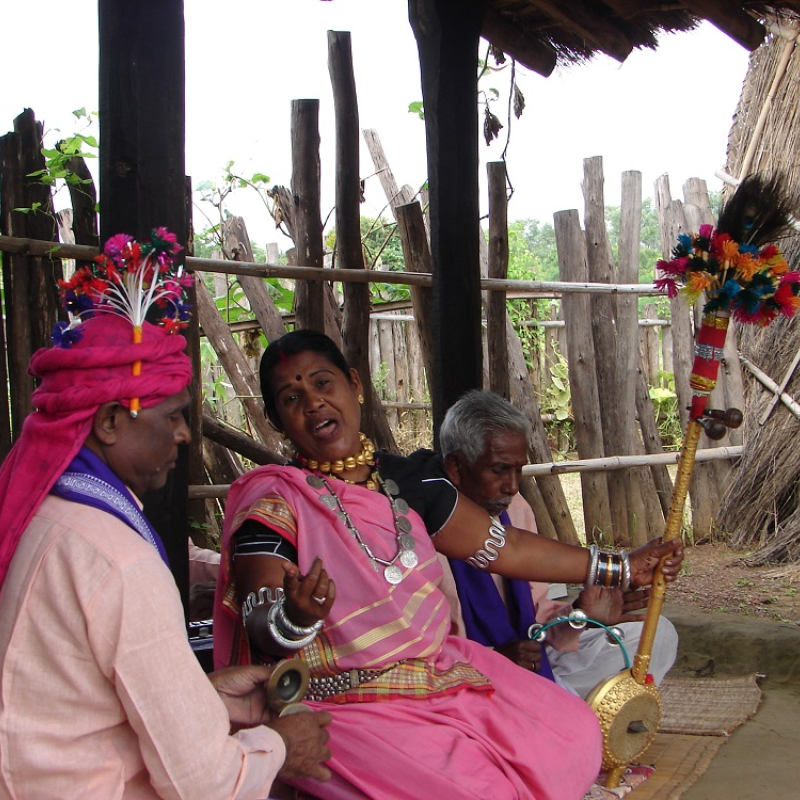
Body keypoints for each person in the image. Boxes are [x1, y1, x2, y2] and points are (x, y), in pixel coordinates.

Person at [213, 328, 684, 800]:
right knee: (475, 790)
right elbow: (261, 614)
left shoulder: (408, 480)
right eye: (292, 397)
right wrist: (293, 619)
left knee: (573, 735)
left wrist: (622, 567)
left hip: (438, 674)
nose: (313, 403)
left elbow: (507, 549)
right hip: (344, 701)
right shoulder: (275, 500)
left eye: (322, 383)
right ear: (277, 419)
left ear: (354, 384)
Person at [0, 233, 332, 800]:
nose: (184, 434)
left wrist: (202, 693)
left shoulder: (51, 515)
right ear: (109, 422)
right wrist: (280, 745)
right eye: (175, 416)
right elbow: (205, 785)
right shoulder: (119, 561)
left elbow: (83, 696)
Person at [438, 389, 679, 699]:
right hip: (465, 677)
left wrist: (581, 616)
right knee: (536, 694)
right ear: (456, 467)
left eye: (518, 470)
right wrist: (493, 660)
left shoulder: (515, 509)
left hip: (531, 660)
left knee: (656, 634)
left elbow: (537, 625)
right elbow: (421, 657)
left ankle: (554, 702)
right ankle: (559, 707)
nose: (512, 486)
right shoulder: (422, 530)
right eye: (499, 470)